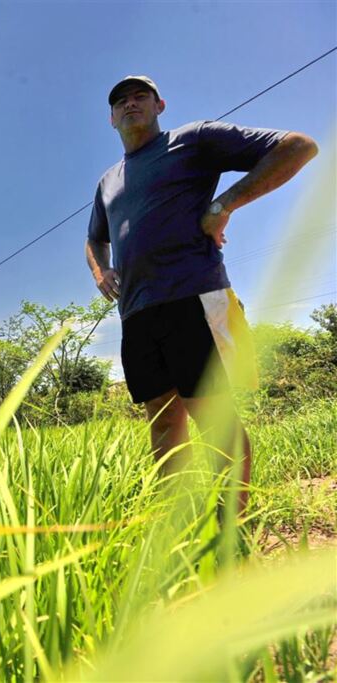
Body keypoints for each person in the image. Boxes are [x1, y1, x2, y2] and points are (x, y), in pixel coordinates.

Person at [85, 75, 318, 514]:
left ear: (159, 106)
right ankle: (174, 520)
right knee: (160, 414)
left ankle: (232, 525)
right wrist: (101, 270)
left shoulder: (192, 140)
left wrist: (223, 204)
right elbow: (94, 238)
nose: (130, 104)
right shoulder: (108, 181)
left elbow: (297, 146)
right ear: (111, 118)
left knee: (210, 413)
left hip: (192, 295)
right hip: (136, 310)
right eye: (120, 101)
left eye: (140, 97)